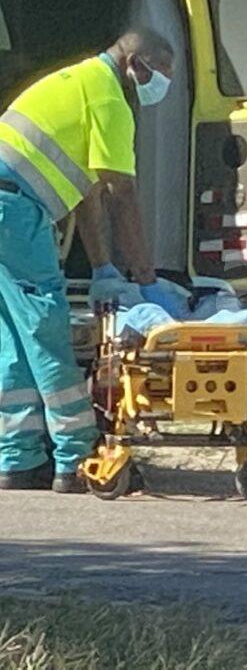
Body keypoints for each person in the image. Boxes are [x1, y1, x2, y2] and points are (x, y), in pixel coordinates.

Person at [0, 28, 180, 492]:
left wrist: (103, 267)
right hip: (14, 212)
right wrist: (145, 276)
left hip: (8, 205)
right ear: (135, 65)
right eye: (161, 73)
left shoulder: (77, 82)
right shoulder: (109, 101)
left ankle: (19, 458)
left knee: (13, 338)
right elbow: (122, 192)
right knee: (46, 329)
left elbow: (89, 194)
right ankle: (77, 456)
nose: (162, 84)